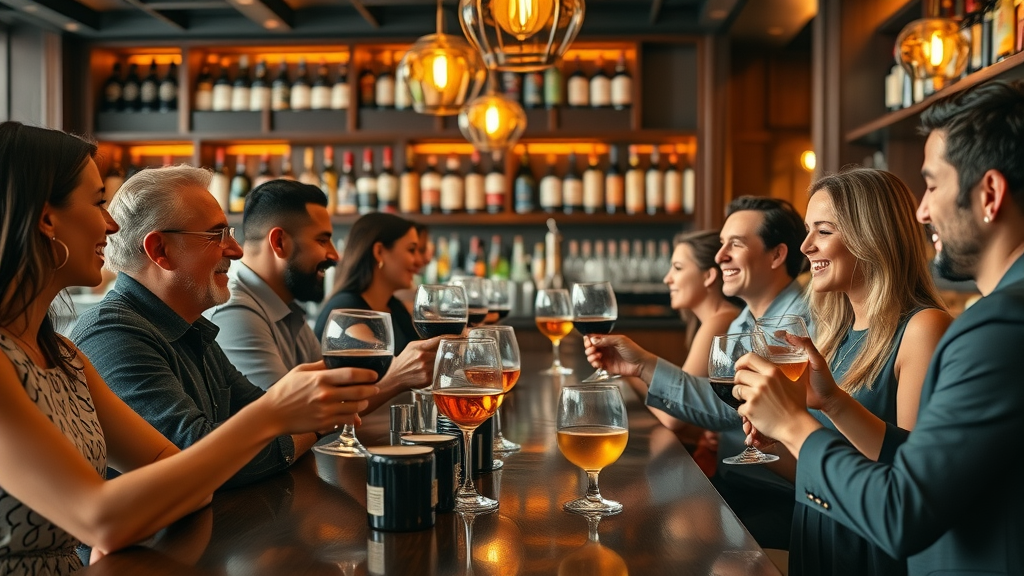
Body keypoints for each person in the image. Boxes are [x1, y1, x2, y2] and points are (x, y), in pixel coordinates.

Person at [0, 122, 377, 573]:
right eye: (99, 201)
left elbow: (188, 479)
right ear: (46, 219)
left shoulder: (63, 355)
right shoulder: (91, 340)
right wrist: (272, 414)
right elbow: (102, 518)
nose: (111, 223)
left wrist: (132, 518)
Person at [734, 80, 1024, 575]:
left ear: (990, 194)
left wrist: (793, 427)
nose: (922, 210)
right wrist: (830, 404)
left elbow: (902, 510)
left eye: (932, 186)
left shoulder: (996, 325)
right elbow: (915, 464)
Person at [70, 165, 372, 489]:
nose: (236, 250)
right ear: (160, 251)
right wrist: (308, 423)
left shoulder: (194, 328)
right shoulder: (113, 336)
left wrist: (291, 418)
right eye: (218, 235)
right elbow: (198, 462)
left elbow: (259, 428)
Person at [584, 196, 808, 550]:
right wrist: (640, 366)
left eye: (736, 244)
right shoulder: (744, 319)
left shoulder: (798, 322)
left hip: (777, 497)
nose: (721, 257)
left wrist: (642, 365)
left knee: (650, 532)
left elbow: (729, 407)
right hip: (736, 483)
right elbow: (726, 402)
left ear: (777, 255)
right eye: (721, 244)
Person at [768, 168, 951, 575]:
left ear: (873, 236)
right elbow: (820, 470)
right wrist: (777, 436)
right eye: (807, 230)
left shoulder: (922, 328)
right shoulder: (833, 334)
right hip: (818, 532)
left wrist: (824, 408)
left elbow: (913, 475)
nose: (806, 245)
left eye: (824, 231)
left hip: (869, 549)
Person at [208, 180, 439, 414]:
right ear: (279, 243)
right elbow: (286, 420)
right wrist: (397, 379)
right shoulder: (235, 312)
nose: (335, 255)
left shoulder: (286, 307)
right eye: (321, 240)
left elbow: (333, 394)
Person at [635, 230, 741, 455]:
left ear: (708, 276)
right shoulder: (716, 320)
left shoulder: (719, 323)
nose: (667, 278)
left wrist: (630, 373)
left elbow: (673, 416)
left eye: (678, 268)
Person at [316, 213, 422, 353]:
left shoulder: (394, 307)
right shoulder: (346, 311)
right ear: (379, 252)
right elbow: (387, 369)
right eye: (411, 250)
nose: (419, 261)